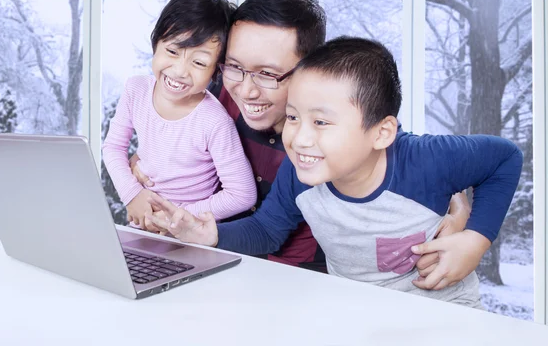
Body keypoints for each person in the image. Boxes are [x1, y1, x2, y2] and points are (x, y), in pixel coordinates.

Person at [147, 36, 523, 307]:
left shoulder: (424, 159)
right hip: (354, 313)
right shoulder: (300, 172)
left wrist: (475, 241)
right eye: (293, 117)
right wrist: (210, 234)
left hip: (444, 314)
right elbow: (267, 230)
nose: (300, 138)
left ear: (381, 132)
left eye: (321, 122)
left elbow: (504, 158)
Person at [133, 0, 472, 279]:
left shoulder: (337, 126)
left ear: (311, 70)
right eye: (235, 66)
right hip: (214, 259)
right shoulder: (218, 93)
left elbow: (399, 153)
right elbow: (165, 123)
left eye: (268, 73)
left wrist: (459, 211)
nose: (247, 90)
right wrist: (147, 159)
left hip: (306, 279)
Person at [103, 0, 257, 230]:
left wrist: (175, 216)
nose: (179, 71)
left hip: (190, 237)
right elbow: (112, 147)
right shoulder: (136, 90)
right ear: (156, 44)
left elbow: (243, 194)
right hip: (142, 226)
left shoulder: (214, 121)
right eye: (172, 51)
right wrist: (132, 195)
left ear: (216, 71)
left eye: (198, 62)